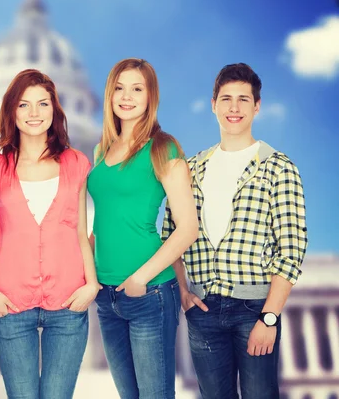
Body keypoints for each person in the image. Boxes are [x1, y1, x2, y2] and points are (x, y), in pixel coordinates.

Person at [163, 63, 307, 399]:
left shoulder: (278, 167)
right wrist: (183, 291)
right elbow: (171, 235)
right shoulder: (192, 167)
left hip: (254, 310)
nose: (234, 108)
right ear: (213, 104)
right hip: (203, 310)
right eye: (226, 99)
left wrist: (269, 318)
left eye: (243, 99)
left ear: (257, 107)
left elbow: (291, 248)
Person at [0, 69, 100, 399]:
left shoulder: (77, 162)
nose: (34, 114)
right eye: (23, 105)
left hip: (68, 301)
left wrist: (91, 284)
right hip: (10, 302)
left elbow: (79, 230)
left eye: (42, 104)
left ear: (54, 110)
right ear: (11, 111)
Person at [87, 58, 198, 398]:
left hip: (149, 293)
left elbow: (187, 227)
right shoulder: (100, 150)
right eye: (119, 88)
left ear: (151, 97)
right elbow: (102, 222)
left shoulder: (163, 147)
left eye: (137, 88)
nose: (127, 96)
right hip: (107, 297)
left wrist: (140, 279)